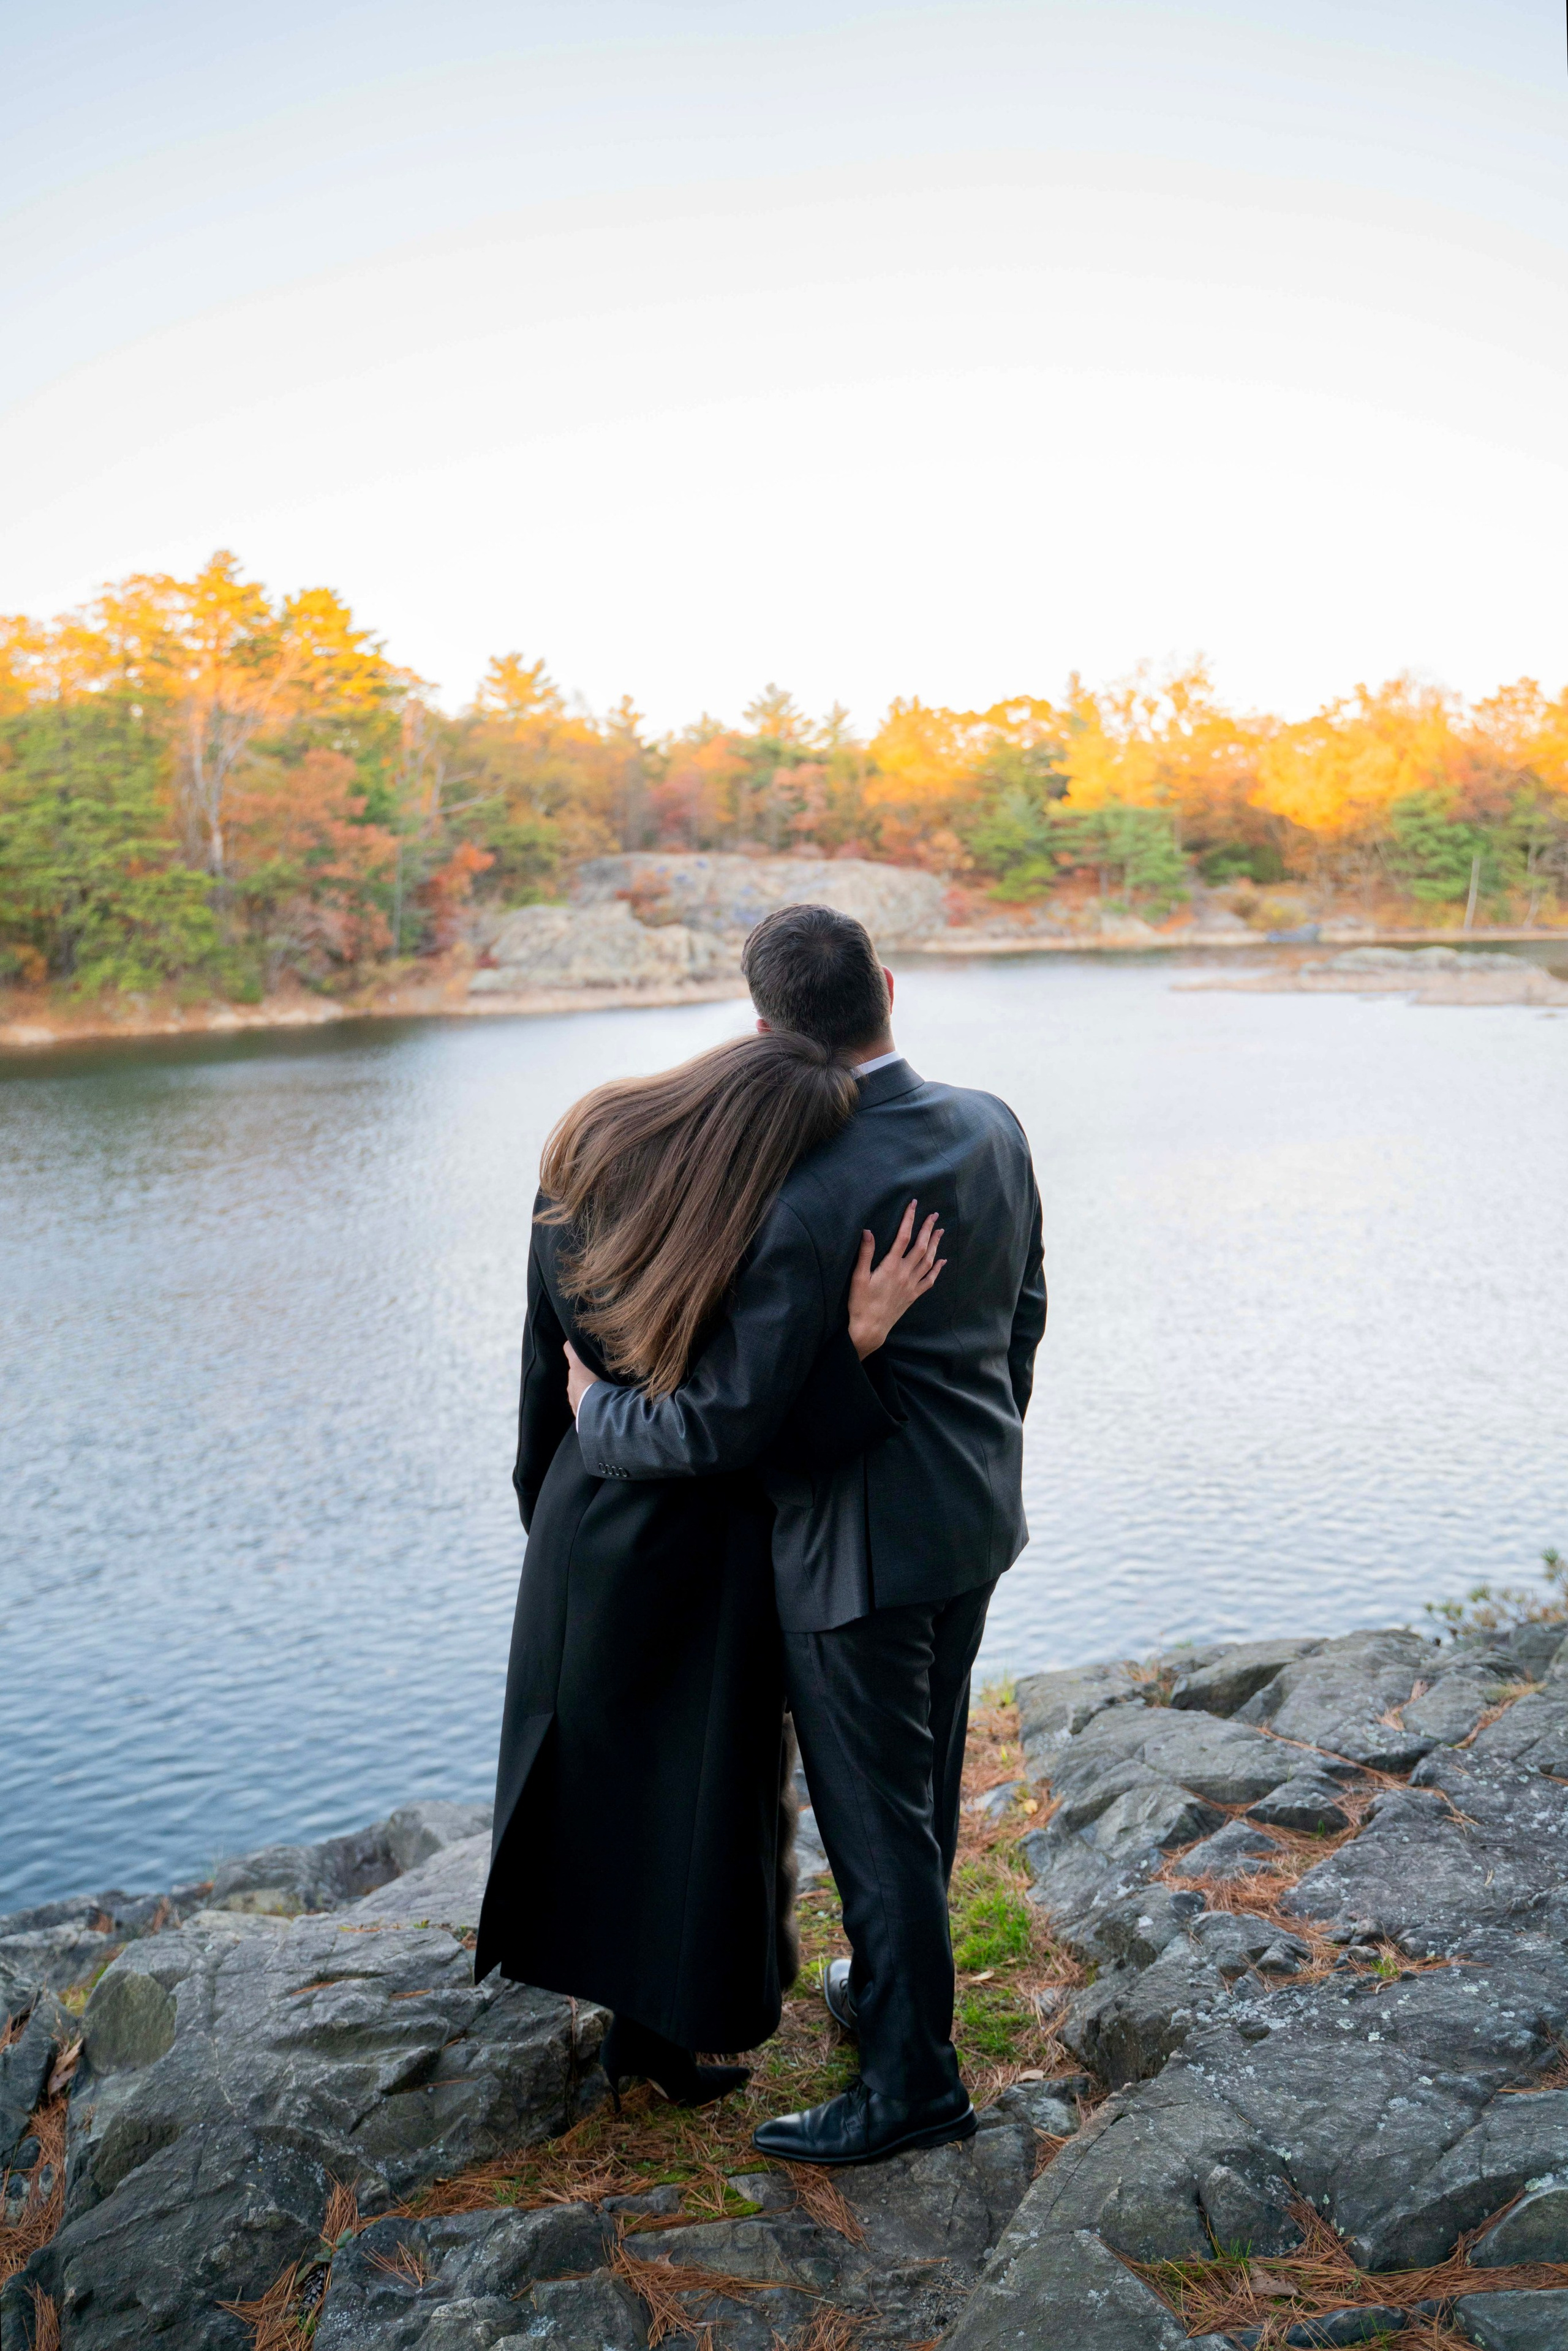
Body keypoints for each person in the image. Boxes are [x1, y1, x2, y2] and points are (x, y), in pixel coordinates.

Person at [571, 904, 1046, 2164]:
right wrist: (977, 1446)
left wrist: (596, 1412)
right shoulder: (992, 1125)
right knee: (919, 1794)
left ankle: (912, 2085)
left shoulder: (798, 1190)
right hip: (973, 1514)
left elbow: (722, 1422)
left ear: (766, 1028)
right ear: (887, 984)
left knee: (877, 1828)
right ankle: (889, 1989)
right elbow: (1022, 1318)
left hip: (853, 1554)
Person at [474, 1026, 946, 2107]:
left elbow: (543, 1368)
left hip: (586, 1513)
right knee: (695, 1800)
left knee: (607, 1778)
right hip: (701, 1540)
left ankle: (639, 2036)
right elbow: (743, 1428)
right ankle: (661, 2035)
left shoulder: (584, 1167)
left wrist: (546, 1513)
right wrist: (856, 1345)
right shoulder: (746, 1235)